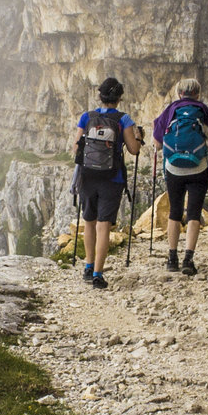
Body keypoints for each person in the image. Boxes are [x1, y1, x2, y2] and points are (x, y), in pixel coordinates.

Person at [71, 77, 142, 289]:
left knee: (89, 221)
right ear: (119, 98)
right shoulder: (124, 119)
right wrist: (138, 137)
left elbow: (76, 149)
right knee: (104, 226)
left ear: (100, 96)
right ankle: (98, 274)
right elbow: (134, 150)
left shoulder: (87, 117)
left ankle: (87, 265)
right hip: (112, 178)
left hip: (88, 176)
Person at [151, 78, 208, 276]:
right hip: (198, 169)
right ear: (197, 94)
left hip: (174, 169)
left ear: (179, 93)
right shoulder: (203, 111)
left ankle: (171, 258)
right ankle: (188, 259)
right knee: (193, 212)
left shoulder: (170, 110)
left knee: (175, 211)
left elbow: (157, 144)